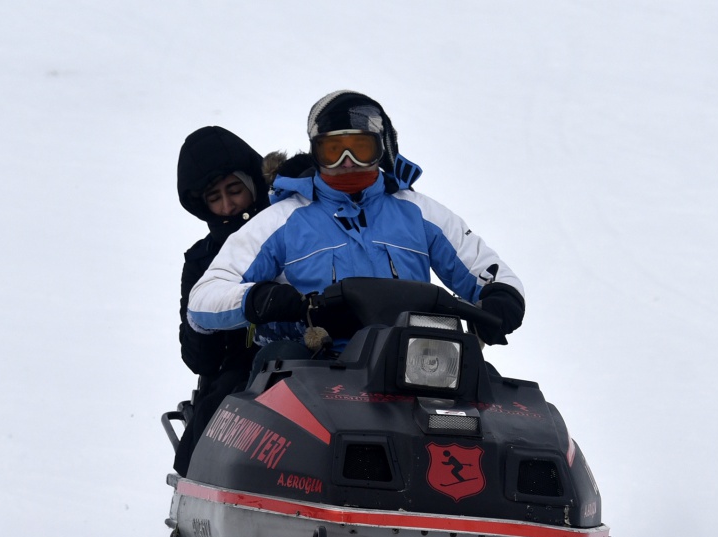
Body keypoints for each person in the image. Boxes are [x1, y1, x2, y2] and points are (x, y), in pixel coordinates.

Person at [186, 90, 526, 373]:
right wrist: (263, 300)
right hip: (318, 365)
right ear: (315, 152)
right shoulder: (283, 218)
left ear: (382, 148)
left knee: (489, 387)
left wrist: (500, 300)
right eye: (333, 150)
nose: (347, 161)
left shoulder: (418, 211)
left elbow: (489, 272)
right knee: (276, 368)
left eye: (360, 148)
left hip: (416, 363)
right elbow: (203, 300)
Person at [174, 126, 289, 474]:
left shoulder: (290, 223)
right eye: (215, 197)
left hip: (307, 357)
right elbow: (199, 360)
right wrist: (206, 320)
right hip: (239, 377)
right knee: (225, 394)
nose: (228, 205)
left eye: (235, 190)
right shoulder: (200, 260)